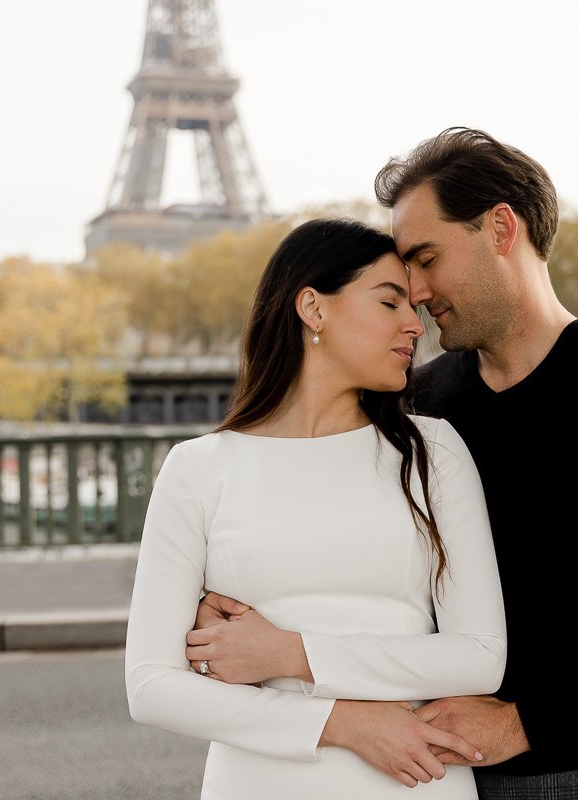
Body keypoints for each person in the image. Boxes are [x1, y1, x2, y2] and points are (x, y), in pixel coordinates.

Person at [200, 128, 578, 799]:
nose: (417, 289)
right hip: (426, 775)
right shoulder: (421, 401)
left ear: (499, 228)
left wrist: (524, 723)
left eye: (426, 257)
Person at [124, 217, 508, 799]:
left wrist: (289, 654)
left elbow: (481, 659)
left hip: (412, 782)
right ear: (312, 307)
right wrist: (341, 722)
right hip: (260, 783)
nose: (415, 323)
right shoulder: (198, 468)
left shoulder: (432, 453)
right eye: (389, 301)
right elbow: (151, 685)